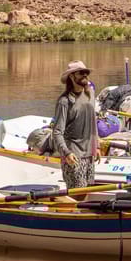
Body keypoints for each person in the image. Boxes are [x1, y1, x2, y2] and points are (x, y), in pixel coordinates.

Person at [52, 60, 100, 199]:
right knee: (77, 195)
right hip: (73, 155)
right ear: (72, 77)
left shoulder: (90, 94)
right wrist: (66, 153)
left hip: (89, 154)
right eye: (81, 73)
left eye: (87, 73)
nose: (86, 75)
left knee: (88, 191)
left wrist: (96, 146)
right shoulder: (64, 101)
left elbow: (93, 121)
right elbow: (57, 132)